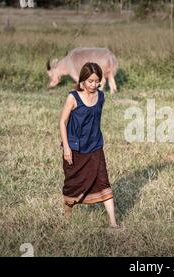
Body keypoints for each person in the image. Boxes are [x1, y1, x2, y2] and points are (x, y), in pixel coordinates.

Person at [59, 62, 118, 228]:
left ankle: (113, 223)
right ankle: (66, 217)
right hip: (75, 149)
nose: (94, 84)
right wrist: (67, 148)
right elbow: (63, 122)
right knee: (72, 184)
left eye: (97, 81)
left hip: (95, 147)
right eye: (90, 81)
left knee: (103, 180)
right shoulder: (73, 97)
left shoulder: (101, 97)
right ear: (82, 80)